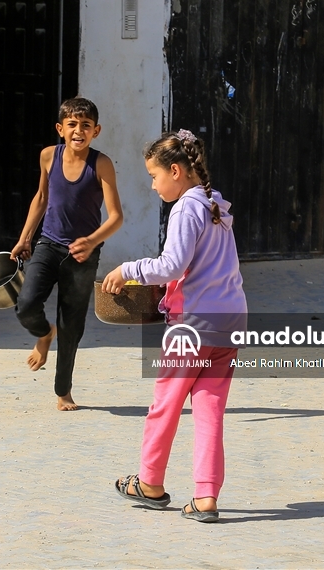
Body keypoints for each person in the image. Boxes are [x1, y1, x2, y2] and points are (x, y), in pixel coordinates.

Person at [101, 129, 247, 522]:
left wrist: (128, 269)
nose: (152, 185)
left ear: (177, 170)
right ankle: (206, 498)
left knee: (165, 405)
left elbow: (172, 265)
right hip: (230, 321)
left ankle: (149, 482)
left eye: (154, 176)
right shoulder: (215, 202)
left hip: (194, 326)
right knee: (210, 411)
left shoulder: (186, 207)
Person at [10, 98, 123, 411]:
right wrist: (24, 238)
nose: (79, 130)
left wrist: (91, 241)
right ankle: (45, 333)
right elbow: (42, 197)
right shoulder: (49, 155)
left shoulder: (101, 164)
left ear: (95, 131)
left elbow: (115, 217)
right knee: (26, 304)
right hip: (48, 244)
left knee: (71, 325)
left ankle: (63, 392)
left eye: (86, 125)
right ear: (60, 129)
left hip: (83, 255)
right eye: (72, 124)